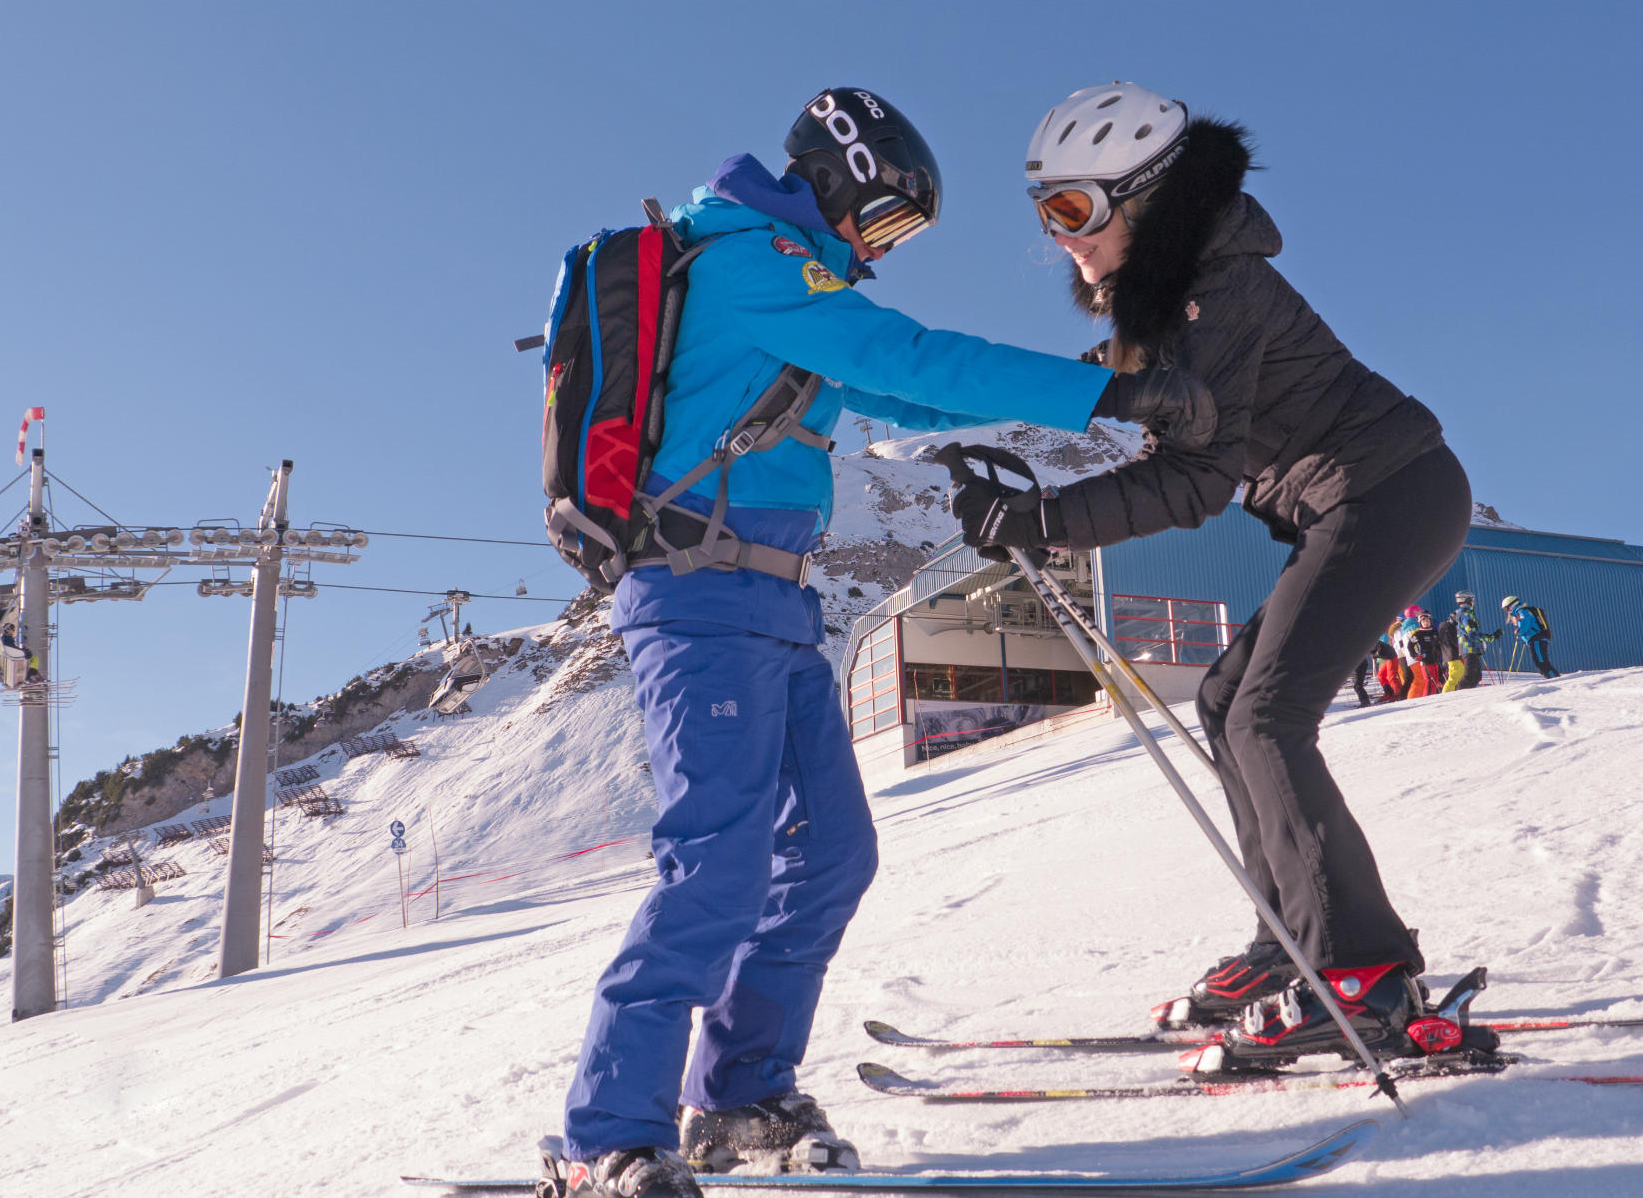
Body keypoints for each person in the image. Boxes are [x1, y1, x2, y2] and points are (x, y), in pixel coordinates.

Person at [548, 87, 1207, 1198]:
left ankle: (741, 1093)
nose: (880, 249)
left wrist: (1088, 395)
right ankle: (606, 1139)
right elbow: (913, 357)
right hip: (696, 595)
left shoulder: (787, 283)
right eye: (887, 222)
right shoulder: (750, 258)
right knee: (715, 862)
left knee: (832, 854)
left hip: (775, 606)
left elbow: (899, 392)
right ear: (842, 177)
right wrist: (1108, 391)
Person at [955, 83, 1482, 1068]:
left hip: (1391, 493)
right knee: (1226, 698)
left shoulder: (1214, 293)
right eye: (1044, 214)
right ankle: (1289, 940)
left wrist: (1045, 522)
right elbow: (1167, 405)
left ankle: (1359, 966)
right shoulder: (1172, 296)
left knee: (1263, 715)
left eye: (1072, 210)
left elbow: (1195, 480)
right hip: (1346, 501)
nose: (1057, 237)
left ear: (1143, 199)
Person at [1503, 595, 1560, 678]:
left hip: (1537, 639)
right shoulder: (1521, 612)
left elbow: (1525, 627)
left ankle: (1555, 679)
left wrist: (1519, 631)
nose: (1507, 611)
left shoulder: (1523, 612)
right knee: (1540, 662)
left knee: (1541, 662)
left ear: (1513, 605)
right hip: (1534, 640)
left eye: (1507, 608)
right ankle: (1553, 678)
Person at [1441, 591, 1488, 691]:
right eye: (1472, 600)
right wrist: (1489, 637)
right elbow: (1471, 632)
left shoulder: (1464, 613)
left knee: (1476, 676)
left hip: (1470, 647)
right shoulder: (1465, 614)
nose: (1474, 602)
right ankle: (1459, 694)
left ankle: (1466, 695)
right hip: (1468, 647)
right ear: (1467, 600)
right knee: (1469, 676)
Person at [1406, 609, 1444, 698]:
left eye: (1427, 621)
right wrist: (1415, 655)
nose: (1426, 623)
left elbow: (1440, 644)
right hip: (1425, 660)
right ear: (1420, 623)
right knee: (1429, 681)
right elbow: (1410, 646)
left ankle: (1433, 697)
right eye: (1424, 621)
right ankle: (1426, 698)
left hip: (1435, 660)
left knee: (1436, 680)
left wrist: (1440, 654)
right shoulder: (1418, 634)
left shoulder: (1435, 632)